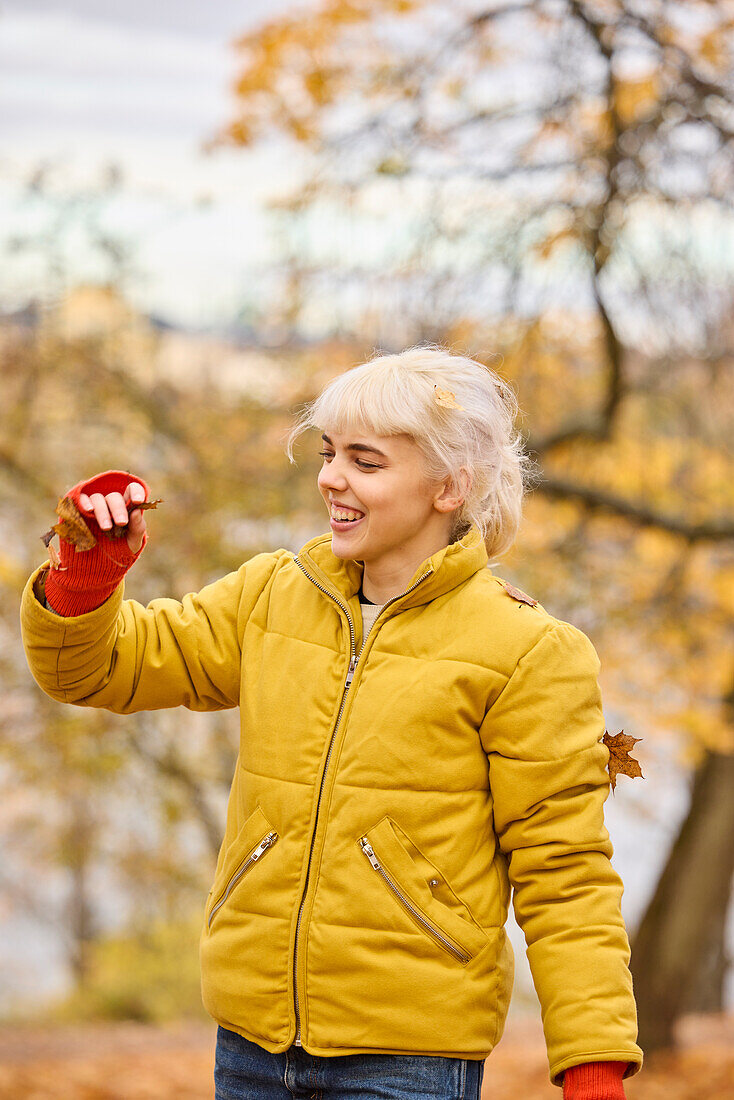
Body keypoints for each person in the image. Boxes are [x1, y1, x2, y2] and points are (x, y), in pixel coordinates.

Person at [20, 345, 643, 1100]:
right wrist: (86, 573)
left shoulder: (529, 652)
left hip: (406, 1060)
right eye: (328, 453)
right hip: (250, 1047)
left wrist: (594, 1065)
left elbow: (565, 871)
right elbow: (93, 670)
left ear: (451, 486)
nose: (330, 478)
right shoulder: (271, 596)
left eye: (365, 461)